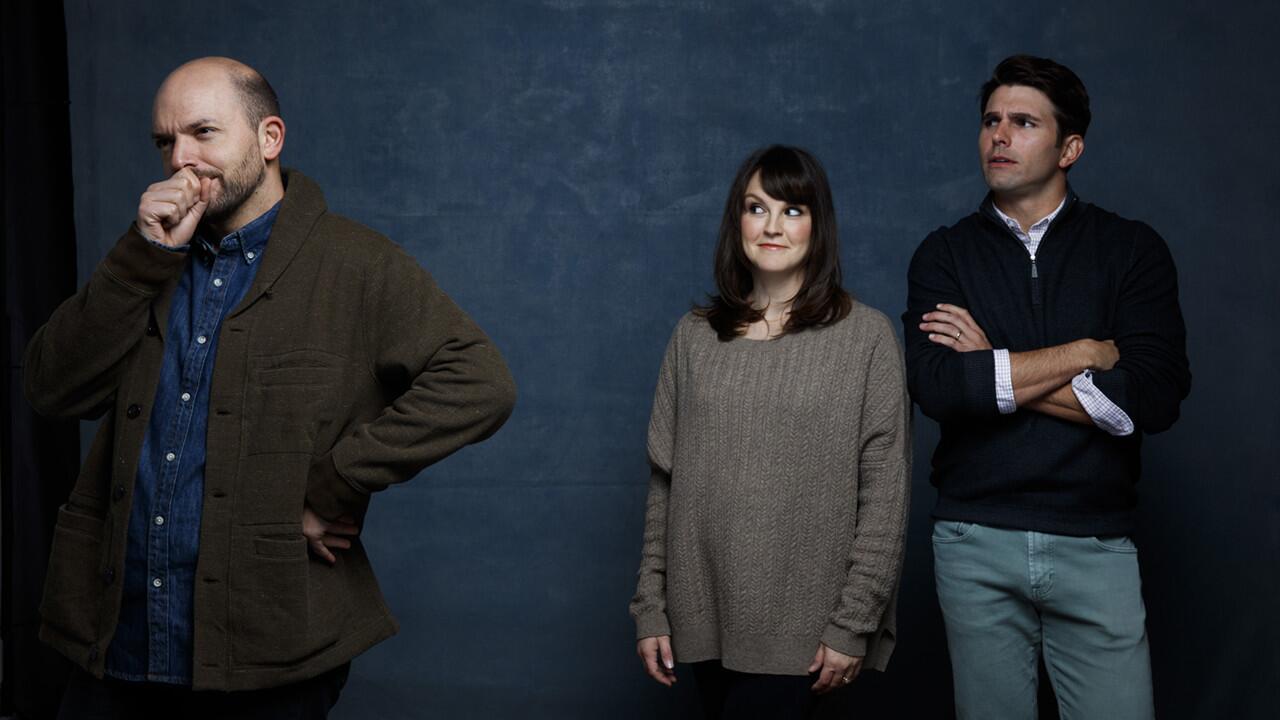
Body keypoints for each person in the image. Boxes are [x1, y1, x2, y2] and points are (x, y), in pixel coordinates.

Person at [24, 56, 517, 718]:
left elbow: (480, 381)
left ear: (269, 139)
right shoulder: (145, 261)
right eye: (165, 141)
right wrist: (140, 259)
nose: (181, 161)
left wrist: (333, 482)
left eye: (203, 133)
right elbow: (51, 391)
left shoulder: (357, 264)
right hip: (115, 642)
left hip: (267, 651)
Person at [903, 55, 1191, 719]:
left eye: (1023, 122)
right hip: (974, 539)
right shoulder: (943, 254)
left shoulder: (1132, 251)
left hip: (1095, 541)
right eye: (990, 120)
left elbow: (1152, 399)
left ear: (1070, 148)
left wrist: (995, 366)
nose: (999, 136)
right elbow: (943, 389)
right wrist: (1084, 354)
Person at [630, 145, 911, 719]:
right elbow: (665, 484)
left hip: (808, 634)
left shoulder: (867, 338)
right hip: (705, 621)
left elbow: (885, 497)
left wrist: (852, 622)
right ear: (737, 222)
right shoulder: (694, 337)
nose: (773, 226)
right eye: (757, 208)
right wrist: (651, 607)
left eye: (793, 210)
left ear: (818, 225)